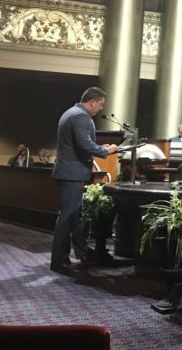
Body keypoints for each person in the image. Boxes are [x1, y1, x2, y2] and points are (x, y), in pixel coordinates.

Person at [51, 87, 118, 274]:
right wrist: (106, 150)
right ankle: (60, 261)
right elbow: (84, 144)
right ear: (93, 102)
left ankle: (77, 254)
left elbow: (80, 144)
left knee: (70, 216)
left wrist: (98, 146)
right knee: (67, 218)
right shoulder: (81, 116)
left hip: (69, 172)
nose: (100, 109)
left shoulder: (71, 113)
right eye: (100, 105)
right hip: (72, 173)